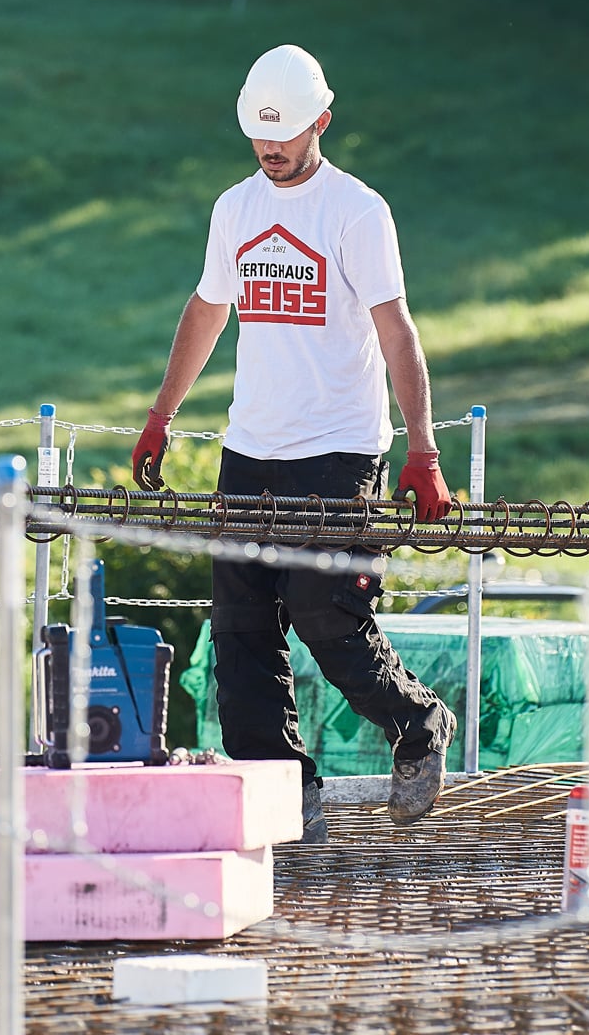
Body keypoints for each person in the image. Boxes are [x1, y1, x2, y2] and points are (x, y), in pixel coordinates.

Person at [130, 44, 458, 845]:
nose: (270, 150)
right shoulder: (236, 209)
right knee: (240, 629)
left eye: (284, 135)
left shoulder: (355, 211)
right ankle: (281, 790)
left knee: (326, 614)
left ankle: (419, 726)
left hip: (341, 450)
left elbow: (395, 329)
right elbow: (207, 310)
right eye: (258, 136)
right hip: (251, 449)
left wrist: (423, 449)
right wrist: (162, 413)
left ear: (322, 119)